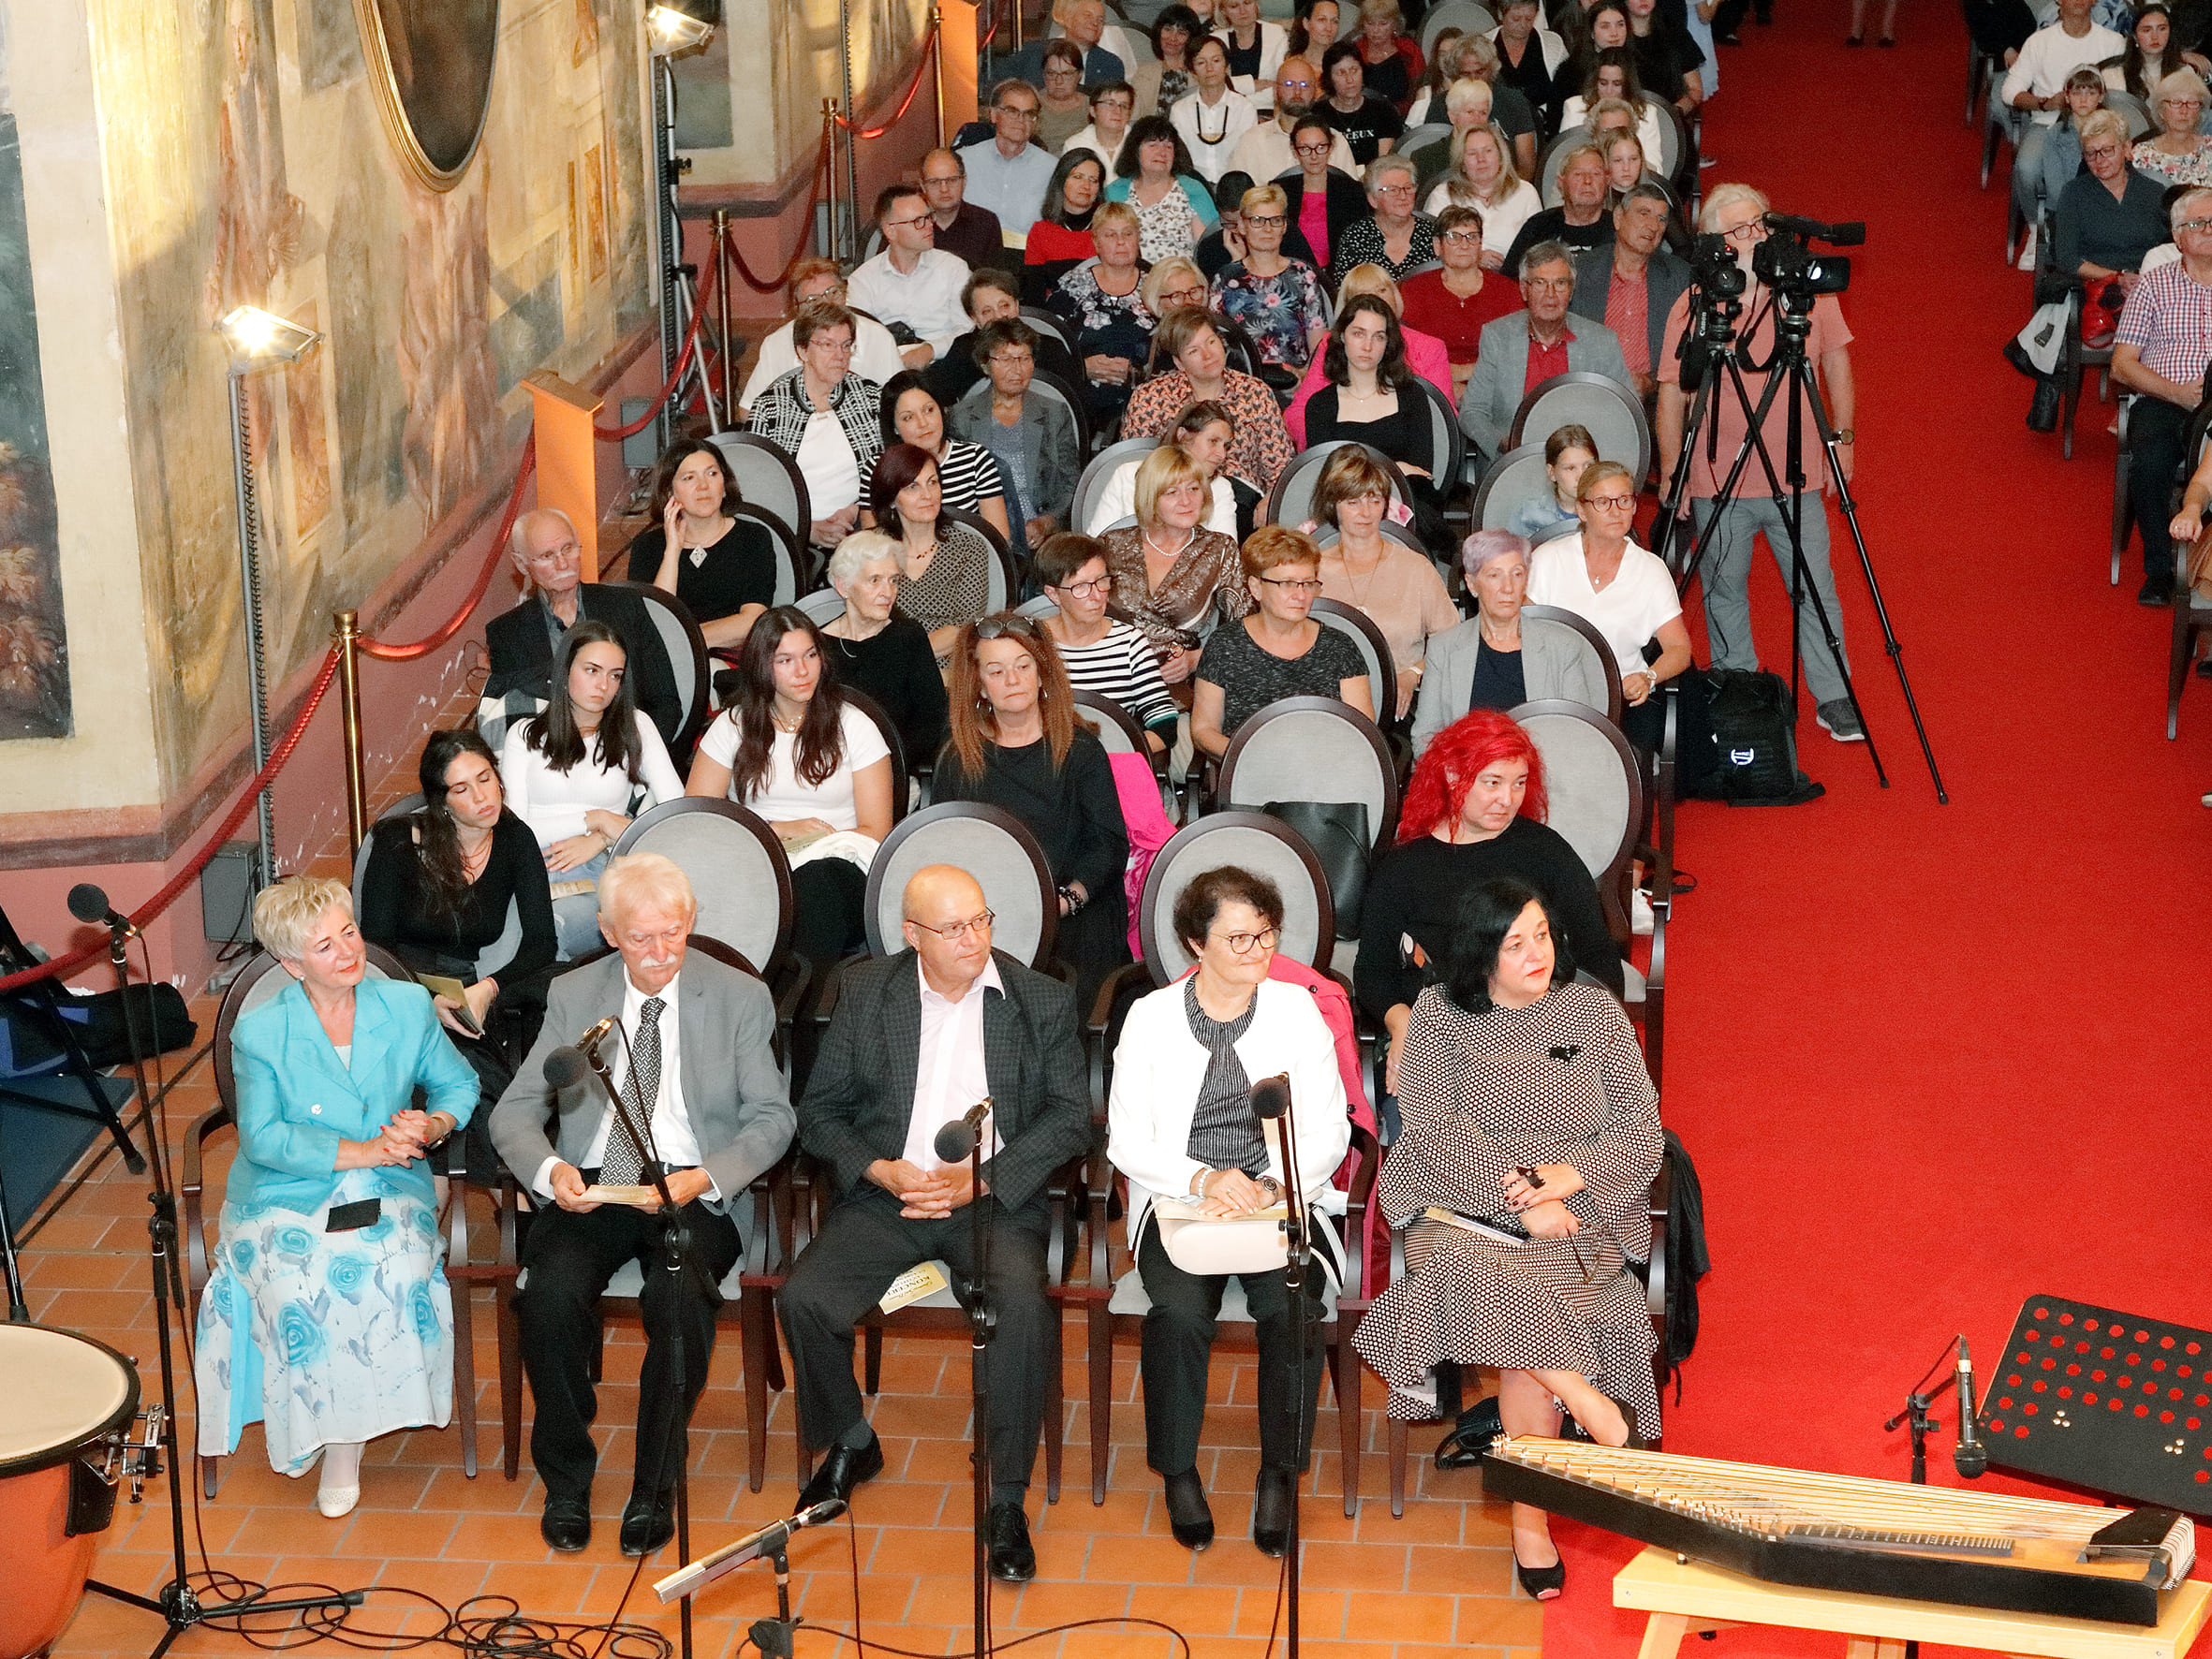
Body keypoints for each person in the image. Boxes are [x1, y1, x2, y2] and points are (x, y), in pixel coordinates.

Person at [1349, 876, 1660, 1600]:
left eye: (1542, 937)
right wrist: (1520, 1199)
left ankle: (1531, 1520)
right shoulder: (1439, 1015)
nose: (1535, 955)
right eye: (1514, 944)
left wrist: (1568, 1174)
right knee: (1501, 1289)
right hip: (1456, 1205)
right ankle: (1588, 1407)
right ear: (1481, 953)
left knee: (1523, 1341)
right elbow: (1430, 1129)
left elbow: (1641, 1132)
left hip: (1579, 1209)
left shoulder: (1593, 1011)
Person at [777, 863, 1090, 1582]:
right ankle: (853, 1440)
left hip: (990, 1199)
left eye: (981, 920)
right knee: (805, 1298)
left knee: (1020, 1308)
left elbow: (1071, 1119)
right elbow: (818, 1113)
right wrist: (880, 1169)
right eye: (952, 928)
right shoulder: (864, 991)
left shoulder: (1038, 999)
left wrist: (980, 1179)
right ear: (912, 934)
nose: (973, 939)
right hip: (892, 1194)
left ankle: (1006, 1497)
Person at [491, 854, 794, 1556]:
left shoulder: (739, 995)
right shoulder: (574, 995)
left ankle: (654, 1484)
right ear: (606, 931)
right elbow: (513, 1115)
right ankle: (567, 1479)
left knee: (679, 1298)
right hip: (598, 1180)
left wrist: (708, 1177)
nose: (660, 954)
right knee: (550, 1297)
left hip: (691, 1186)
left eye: (674, 933)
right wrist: (551, 1169)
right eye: (640, 939)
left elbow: (773, 1119)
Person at [192, 876, 476, 1518]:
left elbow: (458, 1087)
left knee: (390, 1270)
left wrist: (431, 1126)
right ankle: (330, 1432)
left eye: (349, 932)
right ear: (292, 964)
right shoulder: (262, 1032)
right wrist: (363, 1150)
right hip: (283, 1190)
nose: (349, 952)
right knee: (299, 1286)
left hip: (388, 1184)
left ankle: (340, 1442)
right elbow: (263, 1137)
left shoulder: (404, 1005)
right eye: (325, 946)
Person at [1105, 865, 1350, 1557]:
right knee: (1179, 1313)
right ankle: (1177, 1470)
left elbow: (1329, 1130)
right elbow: (1126, 1139)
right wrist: (1204, 1177)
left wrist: (1270, 1185)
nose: (1257, 953)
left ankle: (1280, 1472)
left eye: (1266, 937)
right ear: (1194, 943)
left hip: (1280, 1199)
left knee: (1292, 1307)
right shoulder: (1150, 1019)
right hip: (1182, 1201)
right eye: (1238, 940)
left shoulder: (1296, 1010)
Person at [1656, 184, 1864, 734]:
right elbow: (1673, 394)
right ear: (1714, 243)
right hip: (1715, 473)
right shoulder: (1695, 302)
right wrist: (1673, 469)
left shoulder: (1806, 294)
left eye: (1761, 227)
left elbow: (1837, 364)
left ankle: (1834, 694)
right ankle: (1739, 689)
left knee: (1815, 585)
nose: (1756, 238)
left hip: (1797, 471)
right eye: (1741, 230)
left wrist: (1843, 438)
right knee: (1723, 588)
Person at [1355, 712, 1625, 1090]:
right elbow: (1372, 971)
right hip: (1444, 1040)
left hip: (1543, 1030)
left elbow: (1597, 956)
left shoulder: (1544, 851)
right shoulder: (1405, 865)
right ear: (1452, 776)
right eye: (1492, 783)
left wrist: (1572, 1029)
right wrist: (1402, 1023)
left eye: (1519, 783)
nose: (1507, 799)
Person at [359, 729, 557, 1180]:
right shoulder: (397, 840)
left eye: (485, 778)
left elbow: (541, 943)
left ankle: (513, 1198)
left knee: (556, 985)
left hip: (466, 988)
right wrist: (424, 1002)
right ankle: (481, 1201)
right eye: (462, 789)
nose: (483, 797)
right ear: (441, 800)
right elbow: (375, 948)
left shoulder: (515, 839)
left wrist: (488, 989)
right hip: (397, 984)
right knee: (446, 1081)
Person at [934, 615, 1134, 1001]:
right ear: (979, 684)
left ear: (1042, 675)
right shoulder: (958, 759)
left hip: (1072, 905)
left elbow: (1108, 845)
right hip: (988, 913)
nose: (1013, 680)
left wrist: (1064, 900)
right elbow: (946, 850)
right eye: (997, 670)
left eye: (1023, 666)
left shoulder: (1081, 751)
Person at [686, 609, 895, 974]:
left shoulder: (855, 725)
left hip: (840, 865)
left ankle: (788, 1003)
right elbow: (697, 820)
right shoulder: (732, 726)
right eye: (785, 660)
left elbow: (877, 830)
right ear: (762, 666)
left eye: (810, 655)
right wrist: (777, 831)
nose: (802, 671)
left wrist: (816, 840)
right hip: (760, 856)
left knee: (813, 887)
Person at [502, 623, 687, 960]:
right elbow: (516, 829)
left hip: (605, 864)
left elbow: (675, 809)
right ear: (566, 670)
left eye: (615, 676)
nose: (604, 686)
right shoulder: (524, 734)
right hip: (532, 864)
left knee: (553, 926)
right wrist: (596, 819)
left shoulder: (636, 725)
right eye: (592, 670)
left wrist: (604, 837)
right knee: (505, 929)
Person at [1527, 460, 1694, 751]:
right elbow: (1520, 631)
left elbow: (1680, 649)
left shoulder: (1651, 570)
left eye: (1624, 500)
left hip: (1622, 700)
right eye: (1603, 502)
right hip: (1551, 695)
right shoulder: (1547, 559)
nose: (1616, 511)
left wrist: (1648, 677)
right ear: (1582, 510)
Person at [484, 508, 684, 750]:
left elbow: (665, 702)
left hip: (630, 751)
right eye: (547, 555)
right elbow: (516, 721)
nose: (562, 563)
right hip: (553, 760)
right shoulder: (506, 634)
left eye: (568, 549)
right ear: (522, 564)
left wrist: (635, 758)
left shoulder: (626, 606)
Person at [1414, 532, 1612, 749]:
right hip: (1466, 777)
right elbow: (1426, 737)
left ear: (1526, 580)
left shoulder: (1563, 647)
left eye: (1516, 574)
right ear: (1471, 584)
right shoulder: (1444, 649)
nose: (1507, 588)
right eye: (1494, 575)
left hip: (1541, 775)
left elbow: (1580, 735)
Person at [1193, 525, 1375, 756]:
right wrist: (1247, 756)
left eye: (1308, 583)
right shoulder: (1225, 644)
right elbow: (1203, 729)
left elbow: (1362, 731)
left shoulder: (1340, 647)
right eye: (1287, 583)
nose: (1301, 595)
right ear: (1256, 587)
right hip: (1250, 770)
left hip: (1326, 772)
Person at [2114, 185, 2212, 602]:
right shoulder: (2155, 286)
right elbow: (2122, 364)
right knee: (2150, 462)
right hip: (2166, 400)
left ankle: (2206, 574)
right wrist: (2176, 393)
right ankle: (2159, 568)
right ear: (2178, 237)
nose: (2209, 230)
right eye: (2199, 224)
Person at [1310, 449, 1458, 715]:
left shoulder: (1415, 567)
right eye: (1353, 502)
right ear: (1334, 505)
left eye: (1374, 500)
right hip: (1328, 704)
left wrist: (1414, 673)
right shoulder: (1312, 572)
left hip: (1404, 702)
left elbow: (1452, 640)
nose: (1365, 512)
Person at [1460, 242, 1634, 465]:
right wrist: (1506, 444)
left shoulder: (1602, 341)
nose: (1550, 294)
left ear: (1571, 290)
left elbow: (1624, 412)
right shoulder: (1497, 336)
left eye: (1560, 283)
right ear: (1524, 289)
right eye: (1540, 283)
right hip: (1513, 464)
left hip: (1583, 470)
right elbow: (1472, 412)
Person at [1303, 293, 1453, 545]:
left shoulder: (1412, 396)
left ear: (1388, 344)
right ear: (1341, 337)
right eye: (1359, 334)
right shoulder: (1320, 405)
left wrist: (1377, 474)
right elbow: (1327, 479)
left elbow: (1420, 472)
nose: (1368, 346)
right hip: (1342, 516)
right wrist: (1395, 468)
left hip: (1407, 511)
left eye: (1378, 336)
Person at [1102, 444, 1253, 682]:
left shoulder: (1218, 549)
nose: (1186, 501)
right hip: (1112, 673)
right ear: (1151, 497)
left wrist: (1197, 659)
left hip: (1179, 684)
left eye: (1194, 489)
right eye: (1171, 492)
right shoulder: (1111, 544)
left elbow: (1245, 632)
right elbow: (1080, 610)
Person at [745, 301, 885, 551]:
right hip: (789, 533)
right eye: (827, 345)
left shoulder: (870, 397)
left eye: (845, 345)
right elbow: (754, 486)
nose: (840, 356)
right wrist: (806, 528)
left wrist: (856, 510)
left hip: (862, 526)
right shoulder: (770, 407)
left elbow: (888, 469)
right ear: (802, 351)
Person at [1034, 531, 1183, 752]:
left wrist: (1108, 758)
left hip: (1113, 760)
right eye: (1081, 587)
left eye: (1101, 581)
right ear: (1053, 594)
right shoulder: (1032, 643)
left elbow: (1165, 728)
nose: (1096, 596)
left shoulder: (1131, 643)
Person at [623, 440, 775, 653]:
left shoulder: (753, 537)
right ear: (670, 492)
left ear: (724, 486)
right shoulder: (647, 547)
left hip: (732, 657)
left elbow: (751, 620)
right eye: (689, 478)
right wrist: (673, 551)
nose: (703, 486)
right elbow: (654, 623)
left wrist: (683, 640)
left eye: (712, 474)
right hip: (669, 661)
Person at [1123, 306, 1298, 492]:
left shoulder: (1256, 393)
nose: (1208, 355)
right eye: (1193, 351)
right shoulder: (1150, 398)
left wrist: (1269, 502)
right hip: (1172, 499)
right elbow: (1134, 470)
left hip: (1243, 500)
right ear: (1179, 363)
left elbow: (1280, 470)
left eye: (1211, 342)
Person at [2003, 0, 2128, 261]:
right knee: (2026, 168)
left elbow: (2119, 95)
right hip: (2048, 122)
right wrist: (2045, 102)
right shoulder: (2040, 41)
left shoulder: (2113, 41)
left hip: (2098, 126)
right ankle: (2038, 231)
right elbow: (2010, 90)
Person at [949, 317, 1082, 555]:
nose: (1017, 369)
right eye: (1006, 359)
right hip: (986, 532)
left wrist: (1047, 522)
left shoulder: (1054, 412)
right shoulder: (963, 417)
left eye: (1024, 358)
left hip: (1042, 529)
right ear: (985, 364)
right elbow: (958, 489)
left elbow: (1071, 482)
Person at [1286, 263, 1461, 440]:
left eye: (1382, 290)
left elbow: (1443, 419)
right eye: (1364, 294)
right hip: (1342, 454)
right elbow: (1297, 415)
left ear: (1395, 294)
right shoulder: (1331, 344)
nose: (1375, 299)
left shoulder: (1431, 347)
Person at [817, 531, 950, 763]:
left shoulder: (908, 637)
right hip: (825, 768)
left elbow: (931, 725)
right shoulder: (816, 645)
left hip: (893, 769)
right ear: (843, 586)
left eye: (893, 580)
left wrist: (877, 764)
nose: (888, 593)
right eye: (874, 580)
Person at [867, 443, 1002, 663]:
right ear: (891, 498)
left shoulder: (968, 548)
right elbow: (861, 621)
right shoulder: (871, 550)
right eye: (912, 487)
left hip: (946, 667)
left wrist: (903, 658)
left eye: (932, 482)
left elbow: (964, 627)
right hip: (881, 665)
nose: (928, 495)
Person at [2053, 111, 2170, 351]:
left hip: (2150, 285)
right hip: (2097, 286)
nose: (2100, 160)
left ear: (2127, 148)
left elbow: (2171, 250)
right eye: (2091, 153)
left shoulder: (2154, 193)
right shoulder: (2074, 193)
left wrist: (2143, 282)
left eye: (2108, 150)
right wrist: (2117, 277)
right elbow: (2066, 259)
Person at [1570, 182, 1692, 404]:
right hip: (1586, 397)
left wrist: (1654, 384)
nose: (1653, 226)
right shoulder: (1580, 271)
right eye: (1643, 213)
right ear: (1618, 218)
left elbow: (1690, 357)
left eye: (1661, 219)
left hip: (1653, 404)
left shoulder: (1680, 278)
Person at [737, 259, 906, 418]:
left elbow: (902, 401)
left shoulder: (877, 337)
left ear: (845, 295)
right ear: (797, 308)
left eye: (832, 293)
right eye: (813, 300)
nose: (827, 304)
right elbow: (749, 410)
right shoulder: (777, 343)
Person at [1046, 200, 1158, 423]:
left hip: (1146, 402)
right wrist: (1081, 368)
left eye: (1128, 233)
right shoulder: (1073, 284)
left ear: (1138, 238)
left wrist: (1137, 373)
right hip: (1079, 402)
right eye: (1110, 235)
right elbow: (1048, 348)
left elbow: (1176, 347)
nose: (1121, 242)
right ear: (1096, 241)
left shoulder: (1157, 285)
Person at [1401, 205, 1527, 398]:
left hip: (1494, 388)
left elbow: (1516, 351)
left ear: (1480, 244)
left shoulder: (1507, 290)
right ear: (1438, 246)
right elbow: (1405, 349)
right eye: (1454, 237)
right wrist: (1446, 381)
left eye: (1472, 236)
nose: (1464, 244)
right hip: (1429, 388)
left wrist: (1470, 379)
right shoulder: (1414, 290)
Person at [877, 367, 1016, 543]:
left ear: (941, 411)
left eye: (929, 410)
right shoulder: (879, 468)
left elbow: (998, 539)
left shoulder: (975, 458)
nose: (923, 423)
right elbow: (874, 546)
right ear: (894, 427)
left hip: (973, 562)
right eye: (908, 418)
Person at [1211, 184, 1335, 374]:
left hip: (1295, 384)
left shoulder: (1303, 274)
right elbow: (1214, 342)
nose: (1267, 229)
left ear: (1284, 226)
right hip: (1240, 387)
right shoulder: (1225, 278)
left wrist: (1303, 378)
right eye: (1258, 220)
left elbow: (1318, 346)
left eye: (1276, 220)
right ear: (1242, 226)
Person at [1087, 400, 1254, 537]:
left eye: (1226, 446)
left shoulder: (1220, 488)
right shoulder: (1128, 475)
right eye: (1213, 441)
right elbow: (1097, 542)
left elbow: (1226, 555)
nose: (1222, 454)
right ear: (1182, 436)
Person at [848, 185, 970, 372]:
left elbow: (967, 330)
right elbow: (861, 339)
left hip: (944, 366)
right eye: (918, 221)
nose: (929, 226)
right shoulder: (863, 280)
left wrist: (929, 350)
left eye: (929, 217)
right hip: (886, 368)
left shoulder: (953, 268)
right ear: (890, 230)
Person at [926, 270, 1082, 408]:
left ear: (1016, 305)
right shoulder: (963, 350)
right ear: (974, 319)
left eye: (1004, 306)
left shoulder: (1051, 349)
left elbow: (1078, 410)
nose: (999, 317)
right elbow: (932, 396)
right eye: (987, 311)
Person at [1422, 124, 1541, 262]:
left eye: (1488, 151)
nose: (1481, 159)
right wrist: (1475, 258)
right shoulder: (1443, 194)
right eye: (1472, 154)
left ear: (1501, 157)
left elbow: (1538, 251)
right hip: (1458, 277)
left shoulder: (1526, 192)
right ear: (1462, 163)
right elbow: (1434, 249)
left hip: (1514, 278)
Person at [1109, 115, 1220, 264]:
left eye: (1168, 146)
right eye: (1153, 145)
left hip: (1182, 280)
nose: (1162, 152)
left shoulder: (1192, 190)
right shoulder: (1115, 192)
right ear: (1135, 150)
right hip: (1130, 279)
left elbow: (1209, 250)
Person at [1227, 57, 1359, 183]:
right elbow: (1238, 198)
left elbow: (1351, 197)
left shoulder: (1336, 142)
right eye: (1289, 84)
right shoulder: (1252, 141)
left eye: (1304, 85)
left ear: (1316, 92)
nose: (1297, 92)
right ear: (1275, 90)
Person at [959, 81, 1059, 237]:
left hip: (1026, 256)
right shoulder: (964, 161)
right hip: (972, 253)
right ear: (993, 114)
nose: (1020, 119)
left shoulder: (1052, 168)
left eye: (1029, 114)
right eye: (1012, 111)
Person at [1279, 116, 1376, 273]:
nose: (1314, 155)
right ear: (1294, 150)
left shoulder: (1353, 191)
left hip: (1340, 276)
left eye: (1321, 147)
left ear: (1330, 148)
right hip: (1293, 276)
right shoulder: (1281, 190)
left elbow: (1360, 245)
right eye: (1305, 149)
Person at [1501, 143, 1615, 274]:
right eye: (1578, 174)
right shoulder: (1538, 227)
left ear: (1607, 181)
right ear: (1561, 183)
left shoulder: (1620, 228)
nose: (1588, 181)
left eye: (1596, 173)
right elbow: (1509, 281)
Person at [1327, 154, 1439, 285]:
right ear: (1373, 199)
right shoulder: (1355, 237)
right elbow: (1347, 292)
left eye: (1408, 188)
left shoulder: (1433, 233)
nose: (1403, 196)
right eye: (1393, 190)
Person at [1559, 53, 1668, 176]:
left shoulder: (1647, 113)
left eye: (1617, 84)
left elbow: (1656, 170)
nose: (1609, 91)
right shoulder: (1574, 108)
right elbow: (1562, 162)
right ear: (1595, 83)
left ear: (1627, 85)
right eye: (1603, 83)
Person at [1172, 36, 1261, 184]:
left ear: (1227, 66)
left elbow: (1248, 158)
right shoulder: (1180, 110)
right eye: (1201, 62)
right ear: (1192, 70)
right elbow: (1179, 160)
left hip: (1235, 187)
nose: (1209, 68)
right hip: (1192, 186)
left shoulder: (1244, 108)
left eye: (1216, 61)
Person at [997, 0, 1131, 90]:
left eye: (1100, 19)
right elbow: (996, 84)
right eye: (1087, 15)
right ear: (1068, 19)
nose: (1095, 23)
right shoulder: (1033, 54)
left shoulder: (1111, 65)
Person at [1317, 39, 1407, 164]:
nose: (1349, 79)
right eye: (1341, 73)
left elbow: (1384, 163)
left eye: (1354, 70)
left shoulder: (1383, 111)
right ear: (1330, 79)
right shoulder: (1317, 115)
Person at [918, 147, 1008, 271]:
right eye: (934, 182)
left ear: (964, 181)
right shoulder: (907, 224)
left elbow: (995, 280)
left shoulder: (986, 222)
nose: (944, 189)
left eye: (951, 180)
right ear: (923, 186)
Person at [1491, 0, 1573, 134]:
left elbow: (1566, 92)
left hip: (1545, 128)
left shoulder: (1554, 44)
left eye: (1529, 19)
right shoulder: (1485, 44)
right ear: (1501, 14)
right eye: (1516, 19)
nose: (1523, 25)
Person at [1508, 423, 1597, 543]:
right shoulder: (1528, 514)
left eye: (1588, 466)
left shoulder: (1609, 511)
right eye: (1570, 468)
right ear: (1552, 472)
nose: (1581, 476)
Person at [2104, 4, 2212, 98]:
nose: (2155, 37)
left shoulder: (2185, 72)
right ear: (2135, 37)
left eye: (2162, 29)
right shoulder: (2115, 73)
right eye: (2147, 30)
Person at [2131, 69, 2212, 191]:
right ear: (2161, 111)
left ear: (2199, 111)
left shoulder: (2209, 147)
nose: (2184, 111)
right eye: (2175, 102)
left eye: (2192, 103)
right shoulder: (2141, 154)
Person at [1626, 0, 1705, 117]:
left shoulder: (1675, 32)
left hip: (1669, 116)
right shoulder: (1614, 35)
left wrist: (1671, 114)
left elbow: (1695, 90)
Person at [1133, 4, 1205, 117]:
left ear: (1191, 39)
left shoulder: (1201, 72)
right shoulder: (1143, 73)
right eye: (1168, 29)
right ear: (1159, 31)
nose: (1173, 38)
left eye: (1181, 33)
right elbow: (1134, 118)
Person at [1354, 0, 1425, 110]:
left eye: (1383, 23)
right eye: (1370, 23)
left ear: (1395, 24)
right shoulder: (1353, 52)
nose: (1376, 30)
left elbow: (1420, 92)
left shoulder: (1410, 52)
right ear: (1362, 25)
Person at [1220, 0, 1292, 103]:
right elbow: (1214, 87)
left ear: (1256, 4)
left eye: (1247, 3)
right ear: (1224, 11)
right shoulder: (1216, 40)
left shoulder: (1276, 33)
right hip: (1227, 111)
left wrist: (1234, 89)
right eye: (1234, 6)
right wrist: (1252, 85)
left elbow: (1280, 88)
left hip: (1269, 110)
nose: (1243, 11)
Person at [1063, 79, 1139, 171]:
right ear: (1093, 111)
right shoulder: (1075, 145)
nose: (1118, 111)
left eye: (1124, 106)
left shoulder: (1140, 144)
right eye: (1110, 104)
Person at [1036, 39, 1098, 152]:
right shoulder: (1031, 105)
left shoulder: (1092, 109)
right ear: (1043, 75)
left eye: (1067, 73)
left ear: (1079, 75)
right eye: (1052, 73)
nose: (1058, 81)